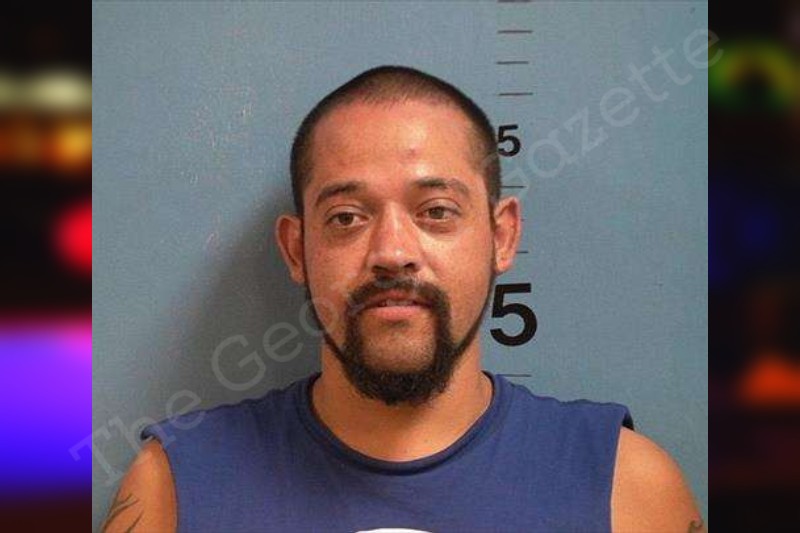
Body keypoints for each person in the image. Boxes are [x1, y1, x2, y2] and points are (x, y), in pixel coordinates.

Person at [103, 66, 704, 532]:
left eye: (436, 211)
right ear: (296, 249)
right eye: (346, 217)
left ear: (502, 238)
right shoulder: (175, 487)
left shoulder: (626, 486)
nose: (392, 252)